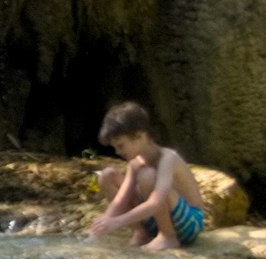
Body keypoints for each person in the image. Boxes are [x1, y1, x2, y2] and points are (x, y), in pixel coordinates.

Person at [87, 101, 210, 250]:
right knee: (107, 176)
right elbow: (121, 200)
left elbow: (156, 203)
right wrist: (103, 224)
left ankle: (168, 237)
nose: (118, 152)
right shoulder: (135, 163)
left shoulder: (168, 158)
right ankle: (141, 232)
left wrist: (118, 221)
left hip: (189, 223)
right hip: (155, 219)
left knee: (147, 176)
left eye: (121, 145)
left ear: (139, 136)